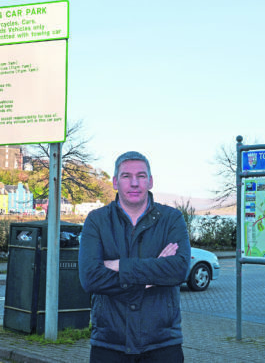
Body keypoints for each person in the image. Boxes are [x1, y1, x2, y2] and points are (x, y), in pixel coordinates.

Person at [79, 151, 191, 362]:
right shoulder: (97, 221)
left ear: (150, 181)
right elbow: (90, 277)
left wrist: (118, 265)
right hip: (109, 343)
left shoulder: (171, 219)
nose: (134, 183)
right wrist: (151, 276)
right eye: (126, 176)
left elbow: (179, 270)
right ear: (114, 182)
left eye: (141, 176)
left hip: (162, 343)